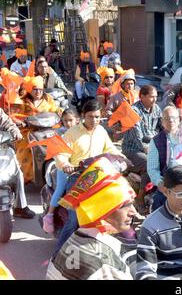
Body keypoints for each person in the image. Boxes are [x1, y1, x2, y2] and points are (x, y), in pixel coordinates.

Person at [46, 157, 136, 280]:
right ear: (103, 210)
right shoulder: (104, 264)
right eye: (126, 206)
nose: (134, 212)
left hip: (93, 177)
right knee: (72, 220)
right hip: (79, 176)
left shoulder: (76, 241)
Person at [53, 100, 123, 252]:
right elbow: (61, 154)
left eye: (97, 117)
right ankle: (58, 253)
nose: (95, 120)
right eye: (91, 117)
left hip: (99, 178)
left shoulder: (101, 131)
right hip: (77, 179)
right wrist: (65, 164)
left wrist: (121, 157)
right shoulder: (71, 133)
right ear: (83, 116)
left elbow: (110, 149)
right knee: (74, 219)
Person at [13, 76, 62, 184]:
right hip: (28, 131)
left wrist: (61, 114)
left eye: (40, 89)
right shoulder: (24, 101)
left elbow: (56, 111)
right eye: (35, 89)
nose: (38, 91)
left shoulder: (48, 99)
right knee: (24, 150)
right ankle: (27, 177)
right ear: (31, 89)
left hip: (48, 130)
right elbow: (16, 115)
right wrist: (20, 121)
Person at [122, 85, 162, 215]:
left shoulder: (156, 109)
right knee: (148, 163)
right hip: (134, 149)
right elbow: (138, 138)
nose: (154, 100)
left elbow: (163, 128)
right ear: (142, 96)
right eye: (151, 96)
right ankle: (140, 198)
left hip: (154, 146)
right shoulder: (133, 111)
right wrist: (152, 151)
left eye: (156, 96)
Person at [42, 109, 80, 233]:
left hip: (81, 166)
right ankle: (50, 215)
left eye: (71, 120)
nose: (68, 123)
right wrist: (65, 164)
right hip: (64, 167)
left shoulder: (81, 131)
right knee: (60, 189)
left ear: (77, 120)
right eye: (65, 121)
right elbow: (56, 152)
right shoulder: (58, 133)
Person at [0, 107, 35, 219]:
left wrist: (15, 132)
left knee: (17, 174)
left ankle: (20, 206)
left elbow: (8, 123)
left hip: (2, 149)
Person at [146, 106, 181, 212]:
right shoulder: (156, 141)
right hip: (168, 182)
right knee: (159, 206)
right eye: (167, 118)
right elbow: (153, 170)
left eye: (173, 118)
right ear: (162, 121)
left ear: (179, 120)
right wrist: (161, 185)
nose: (171, 121)